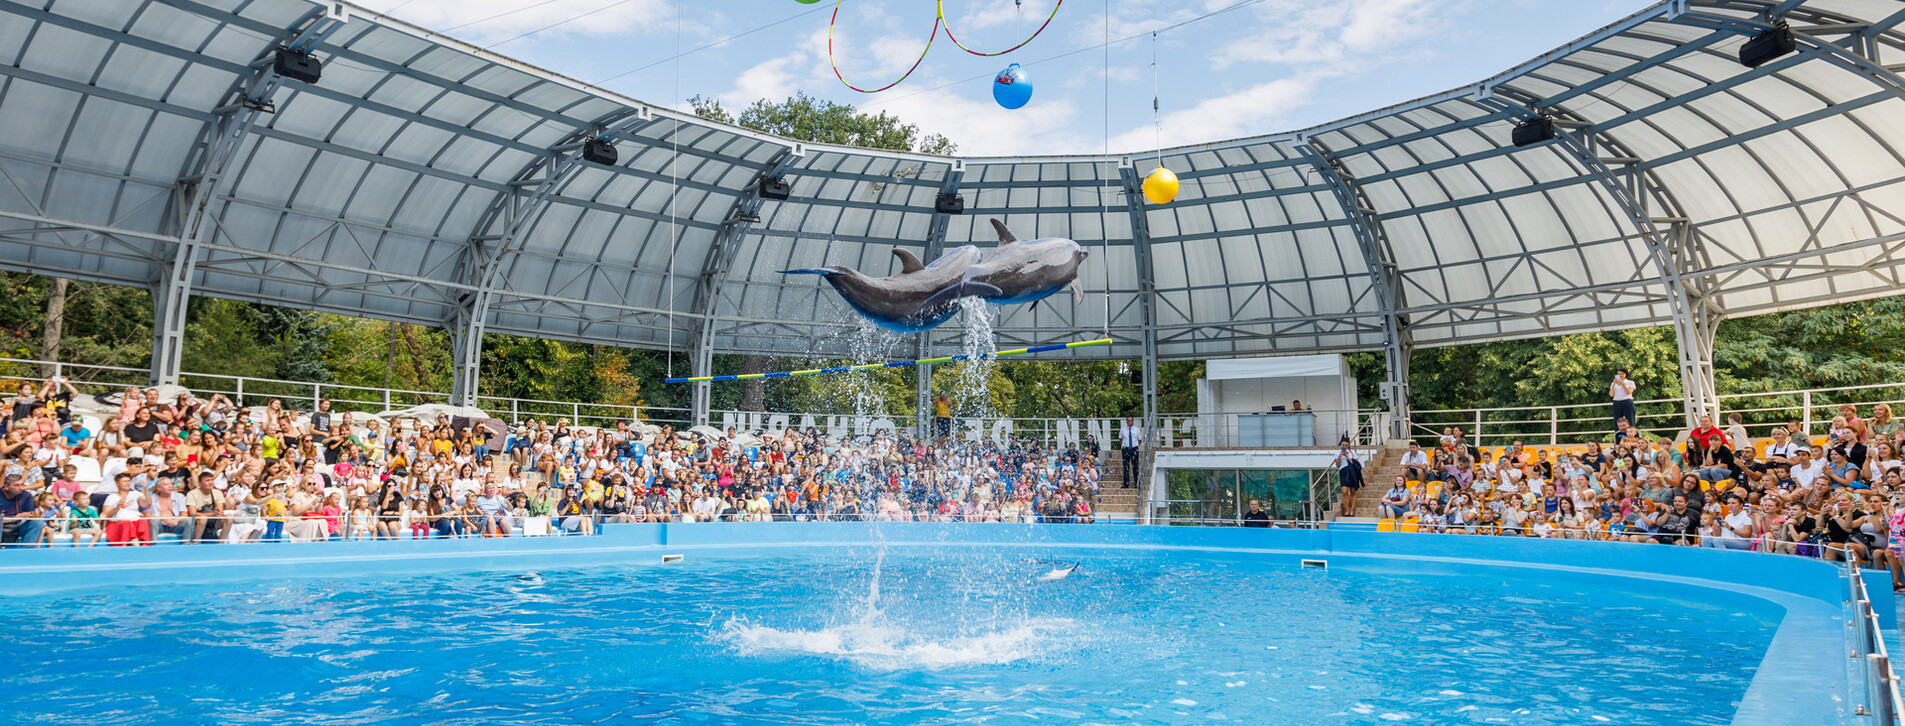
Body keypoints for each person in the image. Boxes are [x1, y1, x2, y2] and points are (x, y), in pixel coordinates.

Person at [0, 474, 42, 547]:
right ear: (6, 487)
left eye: (22, 485)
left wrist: (33, 515)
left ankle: (26, 552)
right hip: (2, 525)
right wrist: (16, 517)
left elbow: (31, 514)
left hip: (17, 525)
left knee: (37, 523)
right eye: (16, 485)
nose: (21, 488)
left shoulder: (26, 495)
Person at [1332, 446, 1364, 518]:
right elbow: (1338, 465)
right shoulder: (1337, 453)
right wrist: (1340, 456)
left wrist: (1347, 456)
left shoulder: (1352, 453)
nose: (1344, 447)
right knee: (1344, 491)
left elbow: (1355, 463)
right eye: (1343, 445)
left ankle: (1352, 509)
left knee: (1353, 491)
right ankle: (1347, 510)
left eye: (1346, 445)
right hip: (1343, 472)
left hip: (1352, 472)